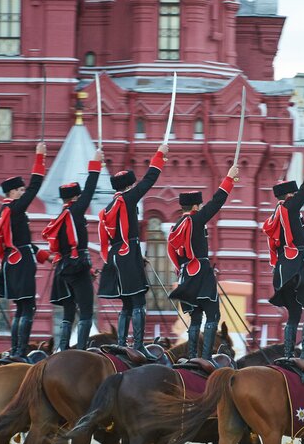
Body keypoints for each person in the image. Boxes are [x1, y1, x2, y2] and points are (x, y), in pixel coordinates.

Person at [262, 147, 304, 367]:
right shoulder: (291, 208)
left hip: (283, 270)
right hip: (298, 269)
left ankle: (289, 354)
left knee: (293, 314)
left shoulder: (278, 214)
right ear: (290, 195)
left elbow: (287, 246)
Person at [98, 144, 167, 355]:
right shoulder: (128, 199)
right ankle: (137, 345)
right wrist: (160, 155)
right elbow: (149, 180)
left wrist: (139, 257)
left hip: (117, 255)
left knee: (127, 303)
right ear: (129, 186)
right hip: (129, 253)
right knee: (138, 301)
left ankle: (121, 342)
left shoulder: (111, 205)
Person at [167, 165, 239, 359]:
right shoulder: (196, 220)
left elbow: (172, 251)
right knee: (213, 315)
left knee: (195, 319)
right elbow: (217, 202)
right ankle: (205, 358)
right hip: (201, 273)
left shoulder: (176, 225)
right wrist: (230, 179)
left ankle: (192, 356)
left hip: (186, 275)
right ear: (196, 206)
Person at [42, 149, 103, 351]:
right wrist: (96, 164)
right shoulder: (76, 211)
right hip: (76, 267)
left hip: (63, 269)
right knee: (86, 311)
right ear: (76, 197)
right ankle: (82, 350)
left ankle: (63, 348)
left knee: (69, 312)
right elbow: (90, 190)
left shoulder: (61, 216)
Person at [0, 143, 48, 359]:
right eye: (21, 190)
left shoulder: (4, 211)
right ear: (13, 192)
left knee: (21, 307)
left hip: (11, 261)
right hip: (21, 261)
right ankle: (19, 351)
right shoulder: (14, 208)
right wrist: (40, 157)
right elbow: (35, 185)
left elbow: (19, 239)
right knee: (28, 307)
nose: (24, 192)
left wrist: (43, 255)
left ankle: (16, 349)